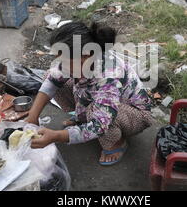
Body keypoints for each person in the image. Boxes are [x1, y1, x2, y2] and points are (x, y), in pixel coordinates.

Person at [27, 22, 154, 166]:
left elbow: (100, 124)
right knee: (51, 77)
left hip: (134, 114)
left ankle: (116, 143)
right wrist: (33, 116)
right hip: (99, 99)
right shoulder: (76, 61)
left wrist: (57, 136)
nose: (61, 65)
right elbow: (52, 81)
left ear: (86, 57)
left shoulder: (109, 76)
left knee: (96, 114)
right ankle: (83, 119)